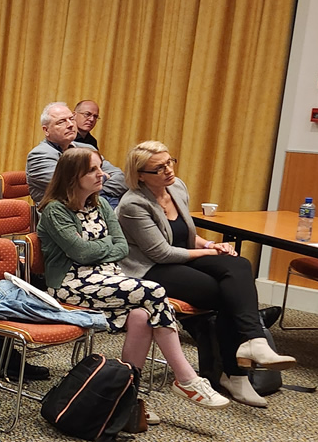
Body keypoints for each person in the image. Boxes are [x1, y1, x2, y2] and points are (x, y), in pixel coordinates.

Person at [36, 147, 229, 411]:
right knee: (154, 291)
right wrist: (102, 247)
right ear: (72, 176)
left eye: (100, 167)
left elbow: (122, 248)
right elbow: (80, 253)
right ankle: (186, 378)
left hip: (109, 277)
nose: (102, 174)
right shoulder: (55, 211)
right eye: (92, 170)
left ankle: (126, 399)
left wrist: (95, 249)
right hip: (72, 283)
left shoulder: (101, 204)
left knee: (141, 316)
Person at [117, 141, 295, 407]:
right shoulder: (133, 204)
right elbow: (162, 253)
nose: (168, 170)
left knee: (239, 265)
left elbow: (185, 236)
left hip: (182, 257)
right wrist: (209, 253)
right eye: (159, 168)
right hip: (150, 269)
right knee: (224, 293)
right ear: (141, 175)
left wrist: (212, 245)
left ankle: (254, 342)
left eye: (169, 162)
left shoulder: (177, 187)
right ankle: (235, 373)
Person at [26, 101, 125, 207]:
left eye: (72, 119)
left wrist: (99, 191)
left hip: (96, 207)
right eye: (61, 122)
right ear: (46, 130)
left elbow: (121, 177)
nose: (70, 125)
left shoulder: (87, 148)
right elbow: (70, 186)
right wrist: (103, 178)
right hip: (61, 213)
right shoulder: (39, 155)